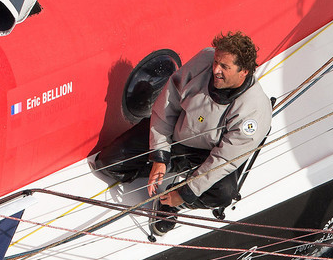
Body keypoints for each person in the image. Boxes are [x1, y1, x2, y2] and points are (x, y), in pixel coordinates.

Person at [94, 32, 271, 234]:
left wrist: (185, 194)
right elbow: (167, 104)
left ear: (244, 71)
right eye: (216, 61)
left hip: (209, 155)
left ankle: (170, 202)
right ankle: (167, 167)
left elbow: (224, 160)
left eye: (224, 66)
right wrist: (159, 155)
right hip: (176, 135)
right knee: (107, 163)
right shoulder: (204, 60)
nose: (215, 69)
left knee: (223, 194)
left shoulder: (254, 111)